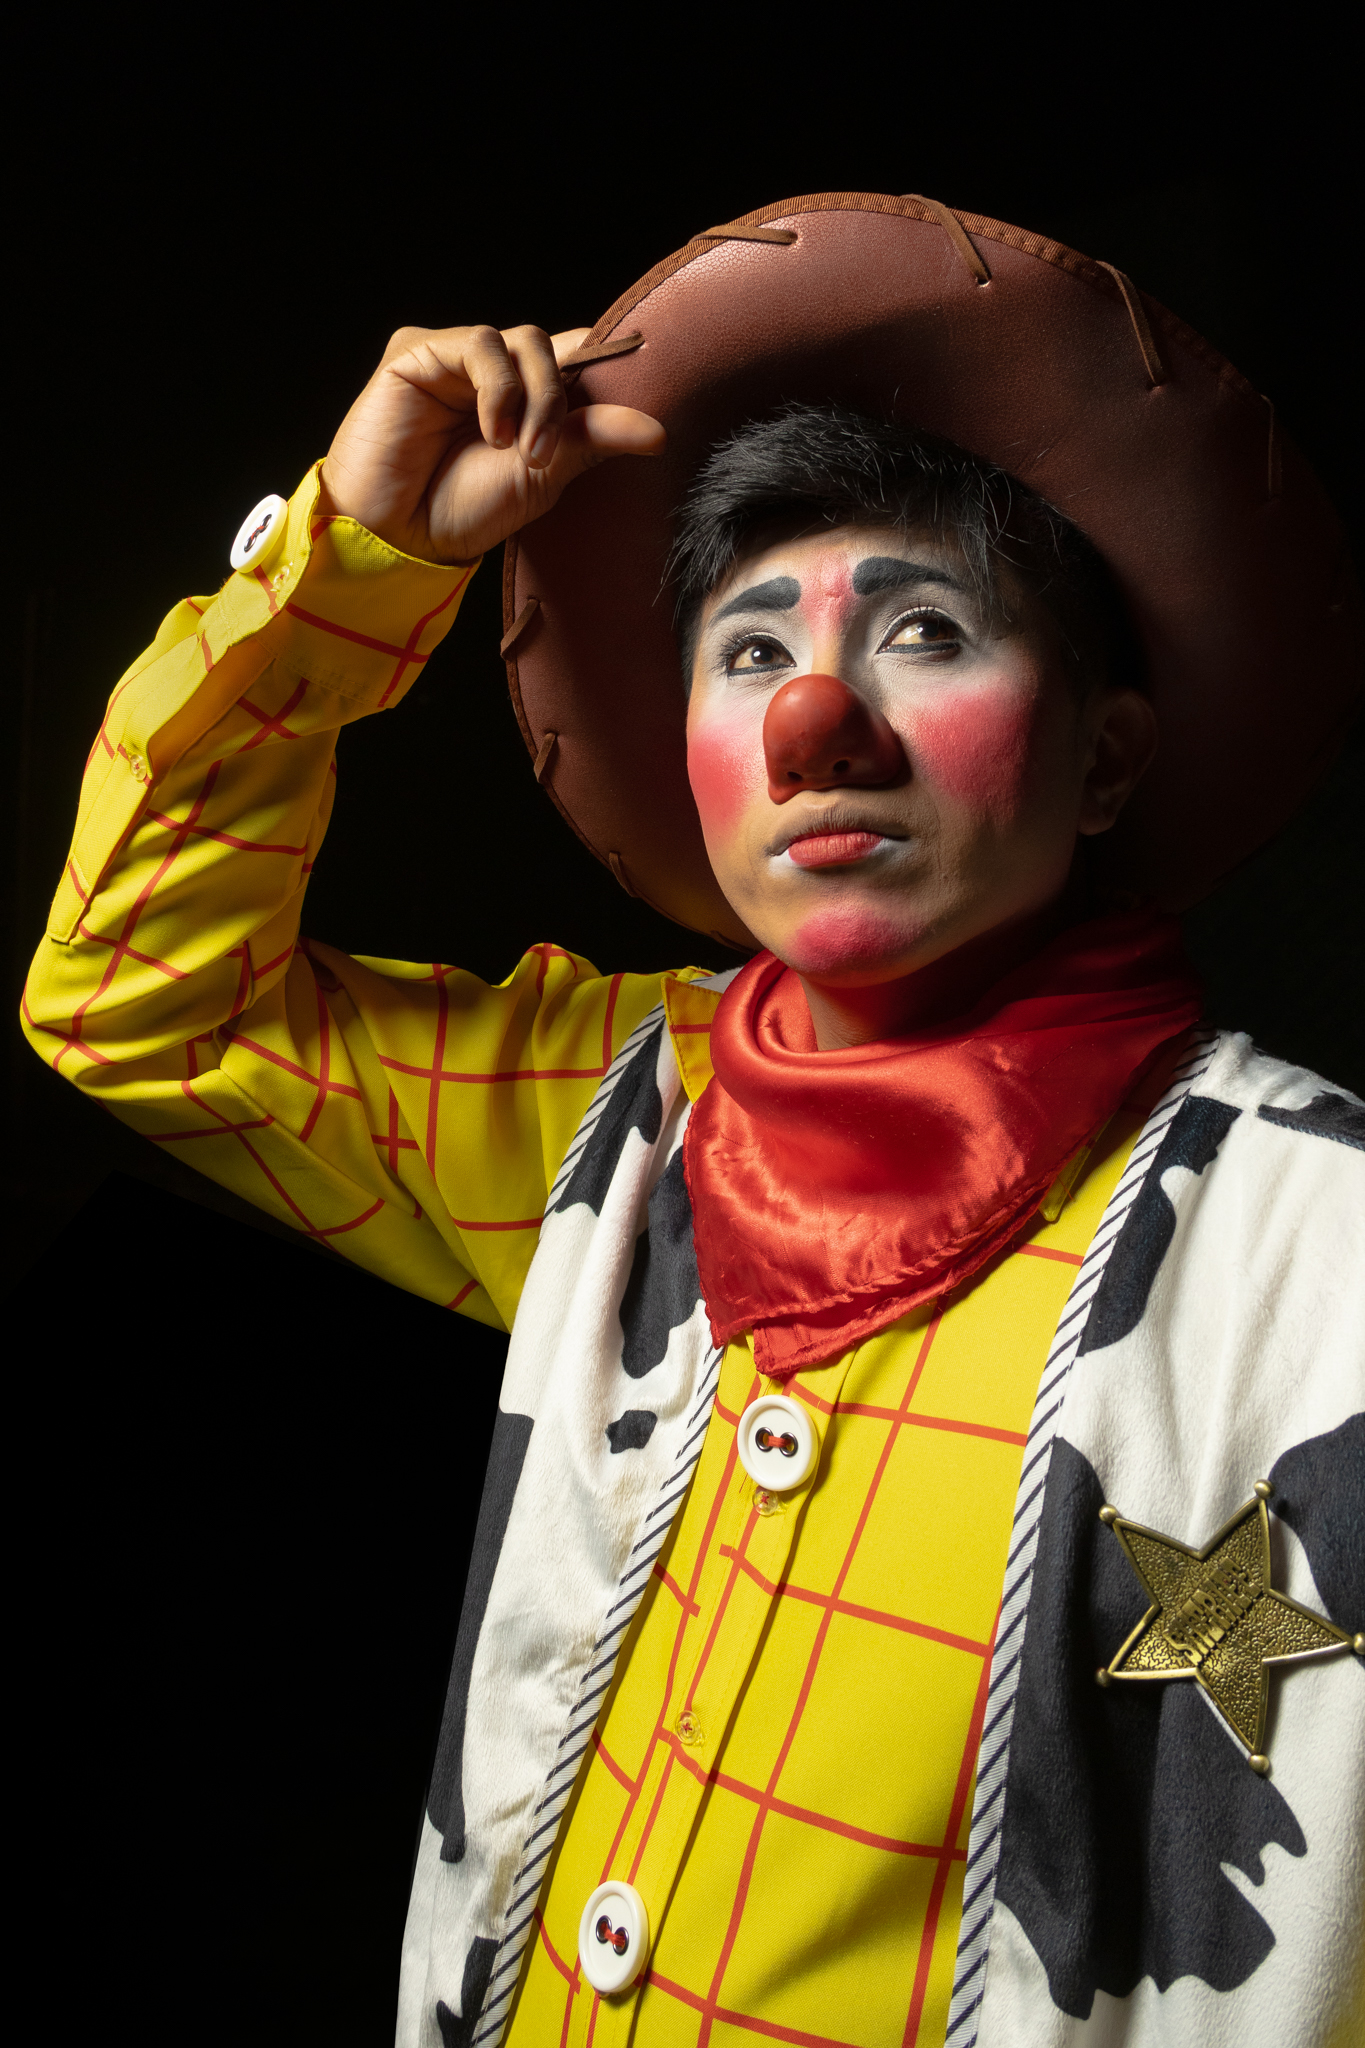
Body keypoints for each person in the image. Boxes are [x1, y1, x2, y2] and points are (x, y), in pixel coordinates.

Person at [22, 195, 1365, 2048]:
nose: (817, 722)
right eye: (748, 653)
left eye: (924, 631)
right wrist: (347, 569)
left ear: (1104, 754)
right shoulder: (614, 1113)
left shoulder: (1322, 1238)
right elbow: (138, 999)